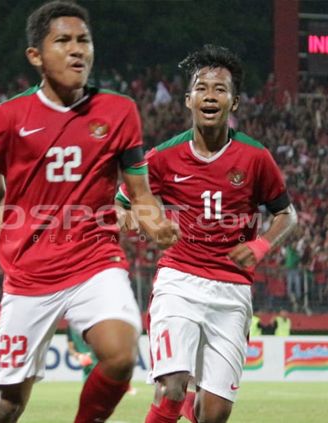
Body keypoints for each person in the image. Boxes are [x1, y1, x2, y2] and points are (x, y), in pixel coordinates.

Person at [0, 2, 179, 421]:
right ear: (36, 55)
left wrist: (153, 217)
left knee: (121, 355)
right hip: (29, 270)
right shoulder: (10, 116)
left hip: (95, 259)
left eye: (84, 41)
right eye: (64, 41)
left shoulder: (119, 111)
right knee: (6, 405)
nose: (77, 51)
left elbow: (140, 193)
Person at [116, 44, 298, 423]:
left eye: (220, 89)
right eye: (202, 88)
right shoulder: (164, 155)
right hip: (179, 281)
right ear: (188, 100)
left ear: (234, 102)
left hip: (232, 291)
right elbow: (123, 201)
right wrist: (142, 219)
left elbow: (287, 215)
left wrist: (262, 244)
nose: (210, 95)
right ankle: (175, 397)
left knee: (213, 415)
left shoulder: (255, 157)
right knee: (172, 387)